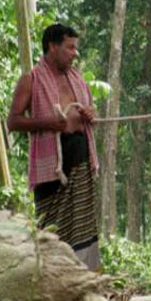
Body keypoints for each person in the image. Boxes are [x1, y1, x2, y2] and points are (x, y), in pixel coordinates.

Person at [7, 23, 100, 270]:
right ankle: (51, 277)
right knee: (51, 227)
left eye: (75, 48)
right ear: (52, 46)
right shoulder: (31, 80)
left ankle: (82, 277)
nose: (74, 53)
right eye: (69, 47)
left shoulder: (78, 80)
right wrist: (48, 122)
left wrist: (90, 114)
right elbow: (12, 121)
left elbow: (90, 115)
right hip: (50, 169)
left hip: (80, 159)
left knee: (82, 225)